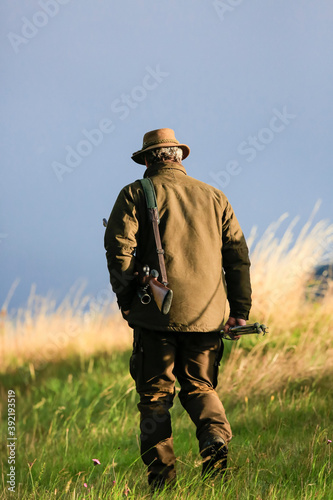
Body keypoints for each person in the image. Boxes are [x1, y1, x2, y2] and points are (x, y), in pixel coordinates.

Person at [104, 128, 252, 490]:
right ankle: (214, 442)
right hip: (207, 316)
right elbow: (238, 258)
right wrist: (240, 310)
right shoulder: (215, 196)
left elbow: (119, 251)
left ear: (148, 160)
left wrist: (127, 302)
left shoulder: (135, 193)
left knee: (155, 398)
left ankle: (162, 483)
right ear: (178, 157)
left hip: (155, 316)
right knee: (200, 387)